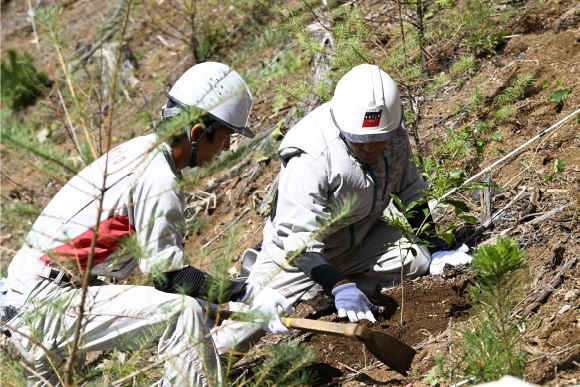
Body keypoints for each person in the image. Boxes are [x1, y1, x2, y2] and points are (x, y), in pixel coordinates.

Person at [0, 62, 290, 386]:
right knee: (183, 314)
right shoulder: (159, 179)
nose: (225, 148)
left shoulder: (140, 150)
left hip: (33, 287)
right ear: (196, 133)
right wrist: (244, 291)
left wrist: (212, 297)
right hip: (49, 298)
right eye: (223, 138)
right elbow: (171, 278)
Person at [213, 63, 471, 356]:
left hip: (362, 236)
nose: (371, 148)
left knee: (415, 259)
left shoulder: (394, 135)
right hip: (300, 253)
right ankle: (204, 361)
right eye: (361, 141)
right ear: (342, 126)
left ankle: (337, 292)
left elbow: (410, 190)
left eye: (378, 139)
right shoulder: (311, 155)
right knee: (250, 320)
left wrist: (434, 245)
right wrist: (339, 285)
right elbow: (300, 243)